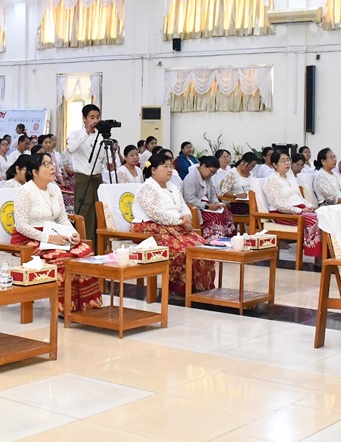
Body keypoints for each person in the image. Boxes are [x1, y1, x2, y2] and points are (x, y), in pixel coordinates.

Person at [11, 153, 100, 312]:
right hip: (28, 239)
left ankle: (87, 304)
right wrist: (49, 238)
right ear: (35, 172)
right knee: (63, 258)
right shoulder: (25, 191)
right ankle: (65, 306)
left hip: (54, 234)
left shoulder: (55, 188)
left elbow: (62, 218)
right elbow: (21, 226)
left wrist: (73, 233)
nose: (52, 167)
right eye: (46, 164)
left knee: (86, 252)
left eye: (52, 163)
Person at [131, 152, 213, 298]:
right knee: (182, 251)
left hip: (173, 226)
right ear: (153, 170)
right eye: (165, 166)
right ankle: (178, 289)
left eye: (170, 166)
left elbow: (183, 205)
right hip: (150, 227)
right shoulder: (147, 188)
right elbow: (155, 214)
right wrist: (180, 221)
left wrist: (187, 216)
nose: (169, 170)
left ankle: (199, 289)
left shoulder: (172, 187)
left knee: (203, 246)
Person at [67, 104, 112, 249]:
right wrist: (87, 132)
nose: (95, 120)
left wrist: (109, 162)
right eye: (92, 117)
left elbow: (104, 158)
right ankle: (84, 247)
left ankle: (99, 248)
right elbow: (71, 148)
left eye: (97, 117)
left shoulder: (101, 136)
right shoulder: (76, 134)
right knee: (85, 213)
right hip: (83, 178)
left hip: (98, 178)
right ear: (84, 119)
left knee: (100, 214)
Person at [263, 150, 322, 258]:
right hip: (282, 213)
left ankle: (327, 255)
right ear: (275, 164)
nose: (287, 163)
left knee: (324, 217)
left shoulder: (290, 177)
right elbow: (277, 204)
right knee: (314, 220)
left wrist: (309, 206)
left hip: (299, 210)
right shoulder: (272, 180)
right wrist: (300, 210)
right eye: (283, 161)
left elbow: (298, 197)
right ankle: (317, 257)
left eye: (288, 160)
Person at [181, 155, 236, 241]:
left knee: (227, 214)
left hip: (208, 206)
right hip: (197, 208)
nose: (211, 175)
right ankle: (213, 242)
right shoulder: (191, 178)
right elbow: (189, 199)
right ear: (203, 166)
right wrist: (207, 206)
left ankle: (228, 241)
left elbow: (213, 194)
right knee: (216, 218)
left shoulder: (208, 178)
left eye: (214, 173)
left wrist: (216, 203)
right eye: (211, 172)